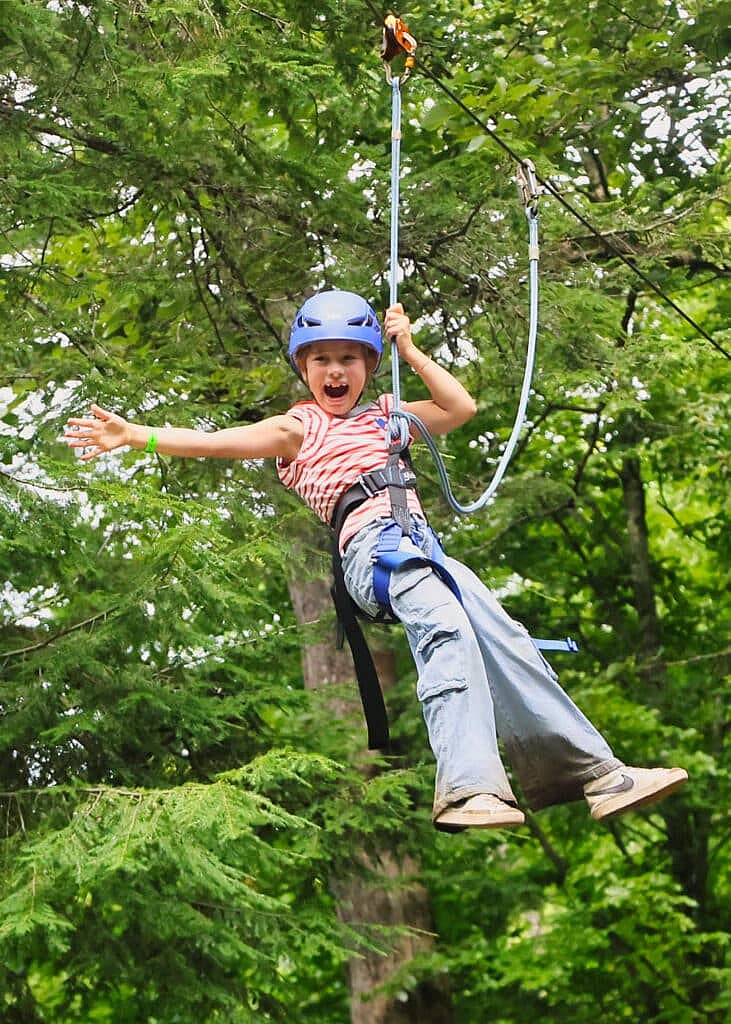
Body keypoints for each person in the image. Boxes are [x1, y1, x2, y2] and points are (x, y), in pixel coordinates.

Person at [65, 290, 688, 831]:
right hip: (374, 554)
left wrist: (411, 352)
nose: (335, 371)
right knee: (445, 626)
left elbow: (459, 408)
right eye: (321, 360)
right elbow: (218, 443)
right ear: (305, 370)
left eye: (348, 359)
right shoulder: (299, 428)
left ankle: (595, 775)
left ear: (367, 365)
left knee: (506, 638)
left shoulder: (390, 416)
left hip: (424, 548)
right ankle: (469, 785)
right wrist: (137, 435)